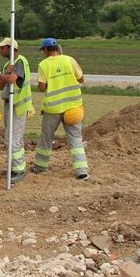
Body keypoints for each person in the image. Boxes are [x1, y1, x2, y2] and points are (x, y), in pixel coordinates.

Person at [31, 38, 90, 180]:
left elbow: (42, 87)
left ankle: (40, 166)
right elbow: (81, 79)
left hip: (53, 108)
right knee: (75, 138)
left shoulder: (43, 64)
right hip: (73, 108)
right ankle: (81, 170)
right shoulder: (69, 60)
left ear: (45, 50)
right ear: (58, 48)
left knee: (46, 137)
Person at [0, 37, 34, 185]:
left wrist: (3, 75)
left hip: (18, 106)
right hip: (9, 104)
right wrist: (4, 75)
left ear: (10, 48)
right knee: (8, 138)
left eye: (2, 48)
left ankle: (19, 169)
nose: (0, 50)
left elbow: (11, 79)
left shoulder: (20, 61)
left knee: (14, 138)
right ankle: (14, 166)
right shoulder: (8, 64)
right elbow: (0, 85)